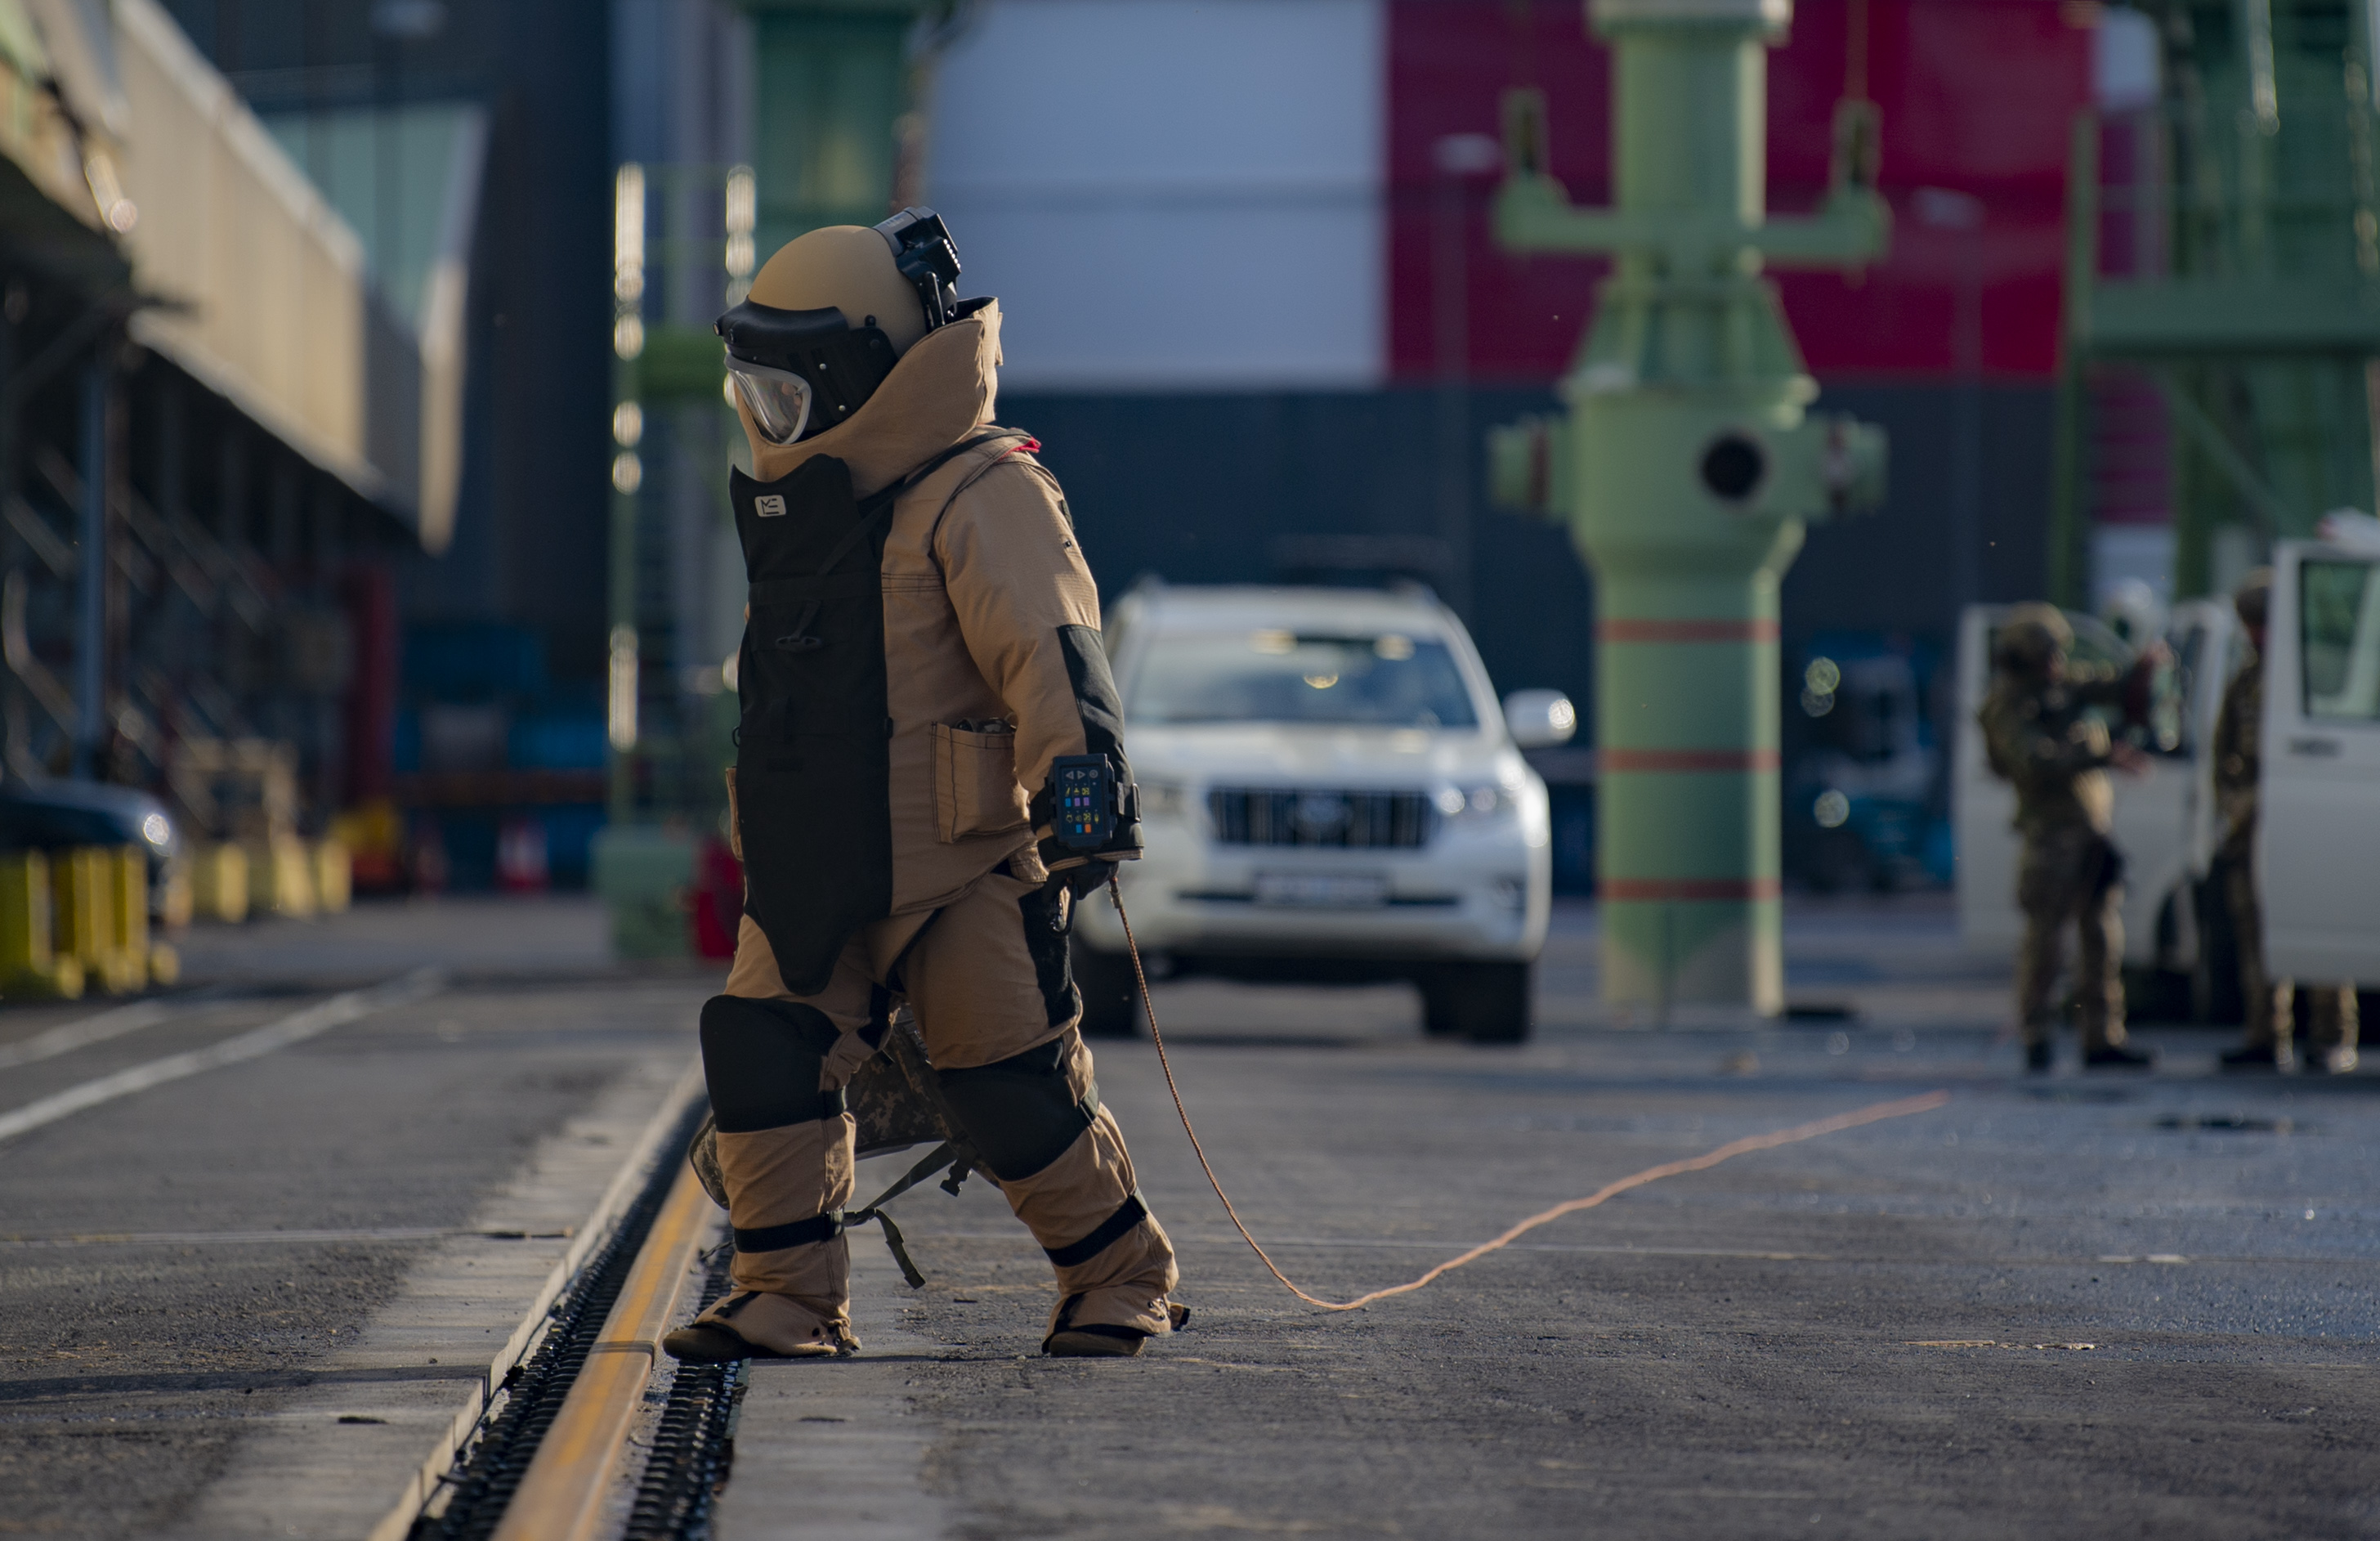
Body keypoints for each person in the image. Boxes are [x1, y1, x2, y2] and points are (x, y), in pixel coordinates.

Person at [660, 209, 1183, 1364]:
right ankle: (789, 1297)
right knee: (760, 1047)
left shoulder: (982, 490)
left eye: (788, 393)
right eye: (760, 392)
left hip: (961, 864)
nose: (771, 420)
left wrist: (1081, 801)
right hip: (817, 861)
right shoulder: (813, 513)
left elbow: (1051, 648)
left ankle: (1119, 1271)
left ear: (859, 374)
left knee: (1008, 1084)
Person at [1977, 603, 2155, 1073]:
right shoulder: (2008, 706)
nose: (2057, 665)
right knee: (2046, 942)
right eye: (2047, 657)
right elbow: (2033, 760)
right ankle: (2037, 1035)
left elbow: (2107, 685)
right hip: (2049, 838)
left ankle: (2102, 1038)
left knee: (2101, 935)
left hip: (2090, 834)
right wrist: (2099, 754)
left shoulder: (2058, 689)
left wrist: (2142, 672)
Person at [2214, 570, 2360, 1074]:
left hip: (2307, 823)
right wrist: (2235, 807)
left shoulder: (2320, 673)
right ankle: (2265, 1035)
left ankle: (2331, 1036)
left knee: (2317, 921)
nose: (2256, 636)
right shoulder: (2247, 683)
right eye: (2250, 626)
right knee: (2257, 930)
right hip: (2254, 827)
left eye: (2262, 624)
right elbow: (2224, 755)